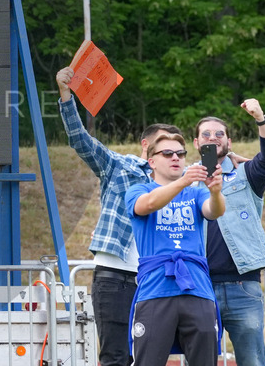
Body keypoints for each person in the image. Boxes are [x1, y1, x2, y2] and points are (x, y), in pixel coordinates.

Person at [56, 66, 182, 366]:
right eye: (164, 146)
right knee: (115, 356)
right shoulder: (119, 166)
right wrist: (65, 95)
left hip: (158, 278)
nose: (173, 154)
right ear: (146, 146)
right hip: (116, 276)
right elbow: (80, 140)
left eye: (177, 149)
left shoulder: (182, 179)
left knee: (152, 357)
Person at [125, 133, 225, 366]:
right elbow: (147, 205)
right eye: (167, 153)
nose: (176, 158)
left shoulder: (196, 192)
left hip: (196, 288)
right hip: (156, 289)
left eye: (181, 154)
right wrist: (183, 181)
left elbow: (215, 211)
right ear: (152, 162)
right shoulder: (137, 189)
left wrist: (215, 191)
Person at [193, 100, 265, 366]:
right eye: (206, 134)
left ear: (229, 141)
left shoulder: (245, 174)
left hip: (243, 286)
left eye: (219, 134)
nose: (213, 138)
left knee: (252, 360)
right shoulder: (184, 181)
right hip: (199, 286)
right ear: (196, 144)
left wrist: (260, 119)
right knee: (199, 360)